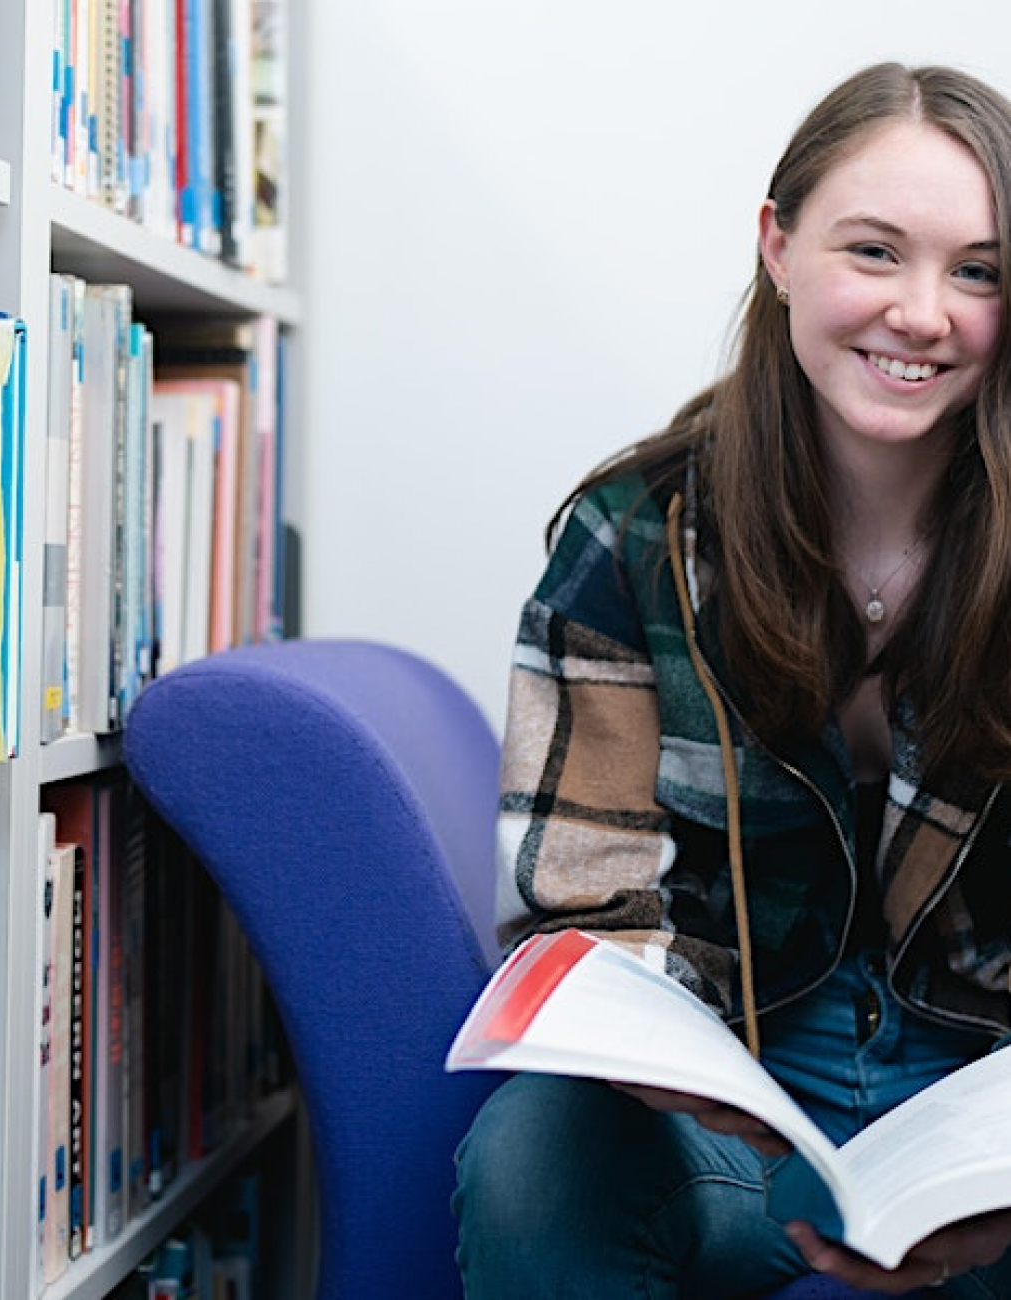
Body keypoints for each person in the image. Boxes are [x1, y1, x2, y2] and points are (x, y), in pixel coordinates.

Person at [452, 61, 1011, 1298]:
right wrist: (669, 1064)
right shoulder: (630, 535)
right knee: (530, 1153)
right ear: (777, 246)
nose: (922, 313)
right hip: (742, 1092)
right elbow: (583, 912)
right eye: (874, 252)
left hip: (989, 1088)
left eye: (975, 270)